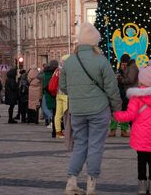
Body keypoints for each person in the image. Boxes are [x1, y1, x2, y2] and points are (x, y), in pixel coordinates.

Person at [60, 23, 121, 195]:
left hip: (77, 110)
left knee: (80, 145)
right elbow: (112, 88)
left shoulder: (69, 61)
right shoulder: (101, 60)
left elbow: (63, 87)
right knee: (95, 146)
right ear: (95, 42)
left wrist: (78, 93)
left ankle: (71, 181)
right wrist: (117, 108)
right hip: (99, 109)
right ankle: (91, 184)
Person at [115, 62, 151, 195]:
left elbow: (130, 115)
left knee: (141, 161)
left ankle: (141, 185)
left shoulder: (136, 97)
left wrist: (116, 115)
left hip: (140, 136)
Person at [110, 54, 138, 137]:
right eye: (122, 64)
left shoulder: (132, 67)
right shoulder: (125, 68)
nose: (123, 65)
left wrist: (120, 79)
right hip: (121, 91)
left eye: (124, 64)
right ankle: (113, 129)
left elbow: (130, 80)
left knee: (125, 110)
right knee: (116, 109)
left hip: (127, 92)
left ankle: (123, 129)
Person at [55, 55, 70, 138]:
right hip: (65, 94)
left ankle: (58, 132)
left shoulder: (57, 70)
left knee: (58, 114)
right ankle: (68, 132)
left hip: (58, 94)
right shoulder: (67, 70)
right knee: (67, 114)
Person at [41, 60, 58, 129]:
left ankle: (51, 120)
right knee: (55, 109)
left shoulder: (44, 74)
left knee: (45, 107)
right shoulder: (57, 73)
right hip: (55, 92)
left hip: (46, 92)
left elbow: (39, 78)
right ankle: (54, 122)